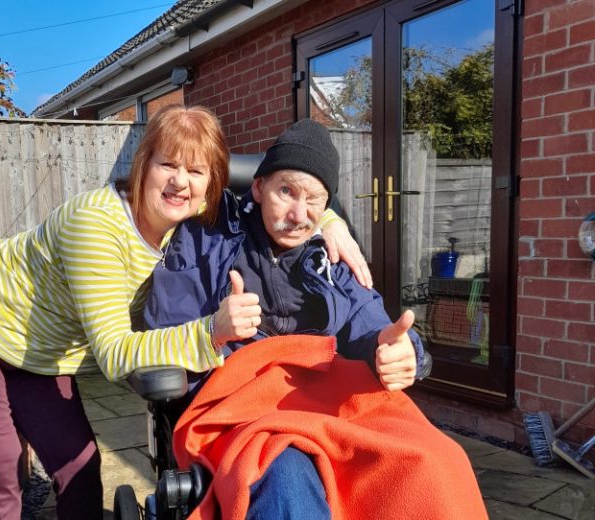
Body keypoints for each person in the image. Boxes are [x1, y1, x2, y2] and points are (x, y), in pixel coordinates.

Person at [0, 105, 368, 520]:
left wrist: (331, 220)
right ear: (143, 164)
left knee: (81, 467)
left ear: (212, 183)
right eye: (167, 164)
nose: (180, 181)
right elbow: (113, 353)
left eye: (196, 170)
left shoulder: (193, 209)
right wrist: (211, 332)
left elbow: (275, 198)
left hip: (37, 345)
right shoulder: (96, 226)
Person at [143, 119, 486, 519]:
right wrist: (214, 330)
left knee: (437, 460)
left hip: (327, 406)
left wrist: (401, 351)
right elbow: (163, 326)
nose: (298, 215)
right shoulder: (207, 238)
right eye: (286, 192)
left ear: (327, 207)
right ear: (258, 187)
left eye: (315, 201)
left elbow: (370, 320)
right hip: (243, 409)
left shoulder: (331, 256)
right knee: (286, 473)